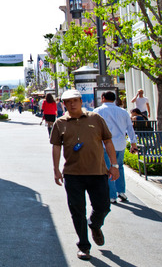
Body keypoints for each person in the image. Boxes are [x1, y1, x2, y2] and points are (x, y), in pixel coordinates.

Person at [51, 89, 119, 261]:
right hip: (73, 175)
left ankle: (95, 224)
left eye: (75, 100)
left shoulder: (95, 119)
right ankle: (83, 246)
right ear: (63, 104)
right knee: (77, 211)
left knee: (103, 206)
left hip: (98, 172)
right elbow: (56, 147)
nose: (72, 104)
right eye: (68, 101)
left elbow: (108, 141)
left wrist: (114, 165)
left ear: (81, 101)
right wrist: (56, 169)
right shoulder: (59, 123)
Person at [93, 91, 138, 204]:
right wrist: (133, 143)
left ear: (103, 98)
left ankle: (111, 195)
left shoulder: (98, 111)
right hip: (120, 144)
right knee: (119, 167)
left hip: (105, 145)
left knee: (108, 168)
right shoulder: (123, 112)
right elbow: (130, 128)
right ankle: (121, 191)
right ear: (114, 99)